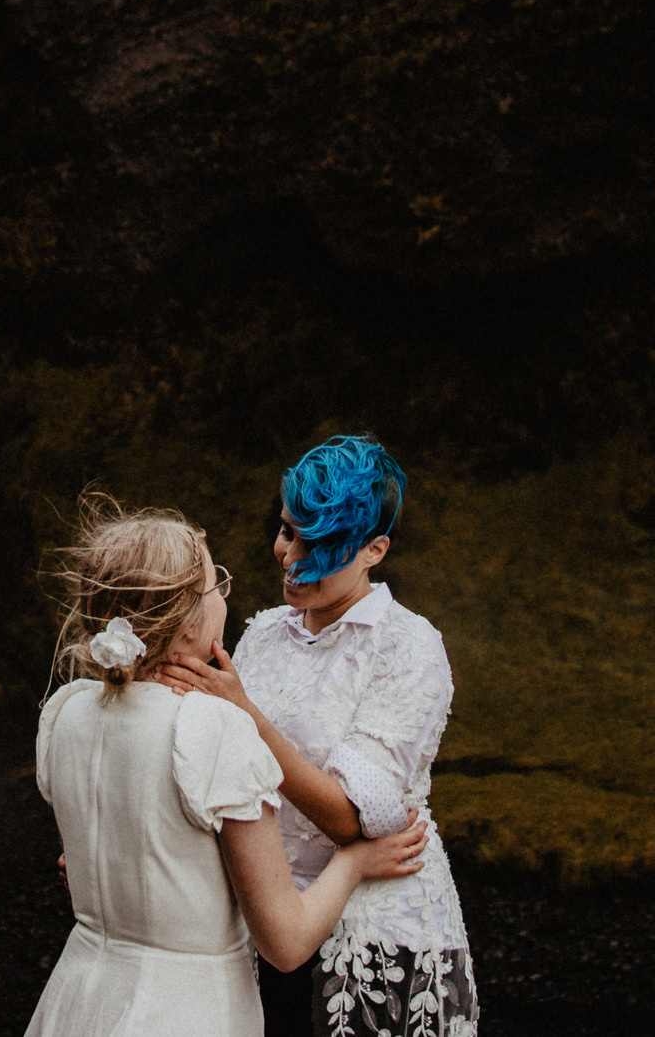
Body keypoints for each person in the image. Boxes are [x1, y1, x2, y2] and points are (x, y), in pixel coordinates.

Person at [27, 497, 432, 1037]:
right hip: (186, 1011)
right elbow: (284, 945)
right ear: (190, 625)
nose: (226, 590)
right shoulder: (213, 730)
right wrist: (356, 862)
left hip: (78, 998)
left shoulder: (67, 713)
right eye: (215, 583)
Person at [160, 437, 479, 1037]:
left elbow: (349, 821)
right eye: (288, 531)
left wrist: (245, 714)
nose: (290, 557)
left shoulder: (406, 648)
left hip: (373, 939)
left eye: (320, 544)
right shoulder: (262, 636)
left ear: (374, 549)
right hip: (267, 920)